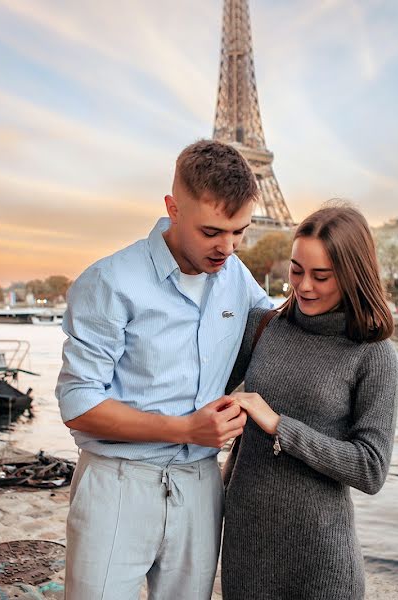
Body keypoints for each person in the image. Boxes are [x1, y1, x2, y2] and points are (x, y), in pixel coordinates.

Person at [56, 140, 272, 600]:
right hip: (118, 483)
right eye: (212, 231)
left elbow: (279, 332)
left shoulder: (236, 274)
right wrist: (186, 429)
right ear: (173, 208)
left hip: (200, 486)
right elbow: (79, 405)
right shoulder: (110, 281)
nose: (227, 248)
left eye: (240, 232)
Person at [221, 205, 398, 599]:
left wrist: (280, 426)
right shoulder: (264, 326)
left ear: (353, 276)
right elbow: (201, 394)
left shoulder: (372, 353)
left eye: (321, 276)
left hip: (320, 558)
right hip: (245, 545)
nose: (303, 286)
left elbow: (371, 468)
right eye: (296, 269)